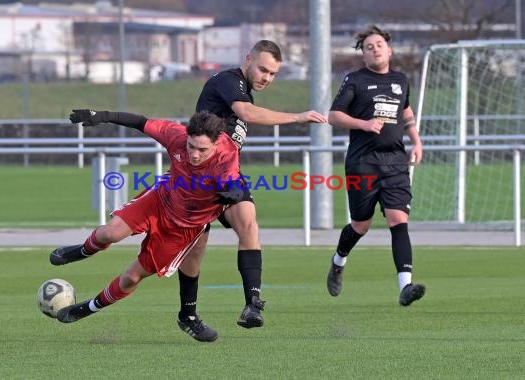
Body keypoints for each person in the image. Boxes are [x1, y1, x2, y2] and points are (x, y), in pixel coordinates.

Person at [49, 109, 244, 342]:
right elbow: (140, 122)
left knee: (131, 278)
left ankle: (87, 308)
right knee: (110, 233)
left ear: (215, 143)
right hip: (159, 200)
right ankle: (83, 250)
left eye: (202, 150)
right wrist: (102, 115)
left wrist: (233, 192)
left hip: (184, 228)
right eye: (191, 146)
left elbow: (232, 182)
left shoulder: (227, 154)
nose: (194, 154)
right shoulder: (175, 135)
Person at [175, 40, 328, 335]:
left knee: (249, 225)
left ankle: (252, 304)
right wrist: (298, 116)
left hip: (228, 176)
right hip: (198, 177)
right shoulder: (228, 81)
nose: (267, 78)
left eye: (272, 74)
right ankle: (188, 315)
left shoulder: (244, 91)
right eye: (263, 69)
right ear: (248, 59)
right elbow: (246, 113)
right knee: (195, 249)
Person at [326, 25, 425, 306]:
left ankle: (405, 286)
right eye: (368, 47)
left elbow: (405, 111)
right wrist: (364, 124)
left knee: (398, 220)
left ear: (389, 49)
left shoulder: (401, 80)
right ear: (364, 55)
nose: (375, 49)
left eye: (379, 44)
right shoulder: (355, 80)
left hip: (395, 163)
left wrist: (416, 141)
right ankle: (338, 260)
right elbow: (334, 116)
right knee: (361, 224)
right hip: (363, 163)